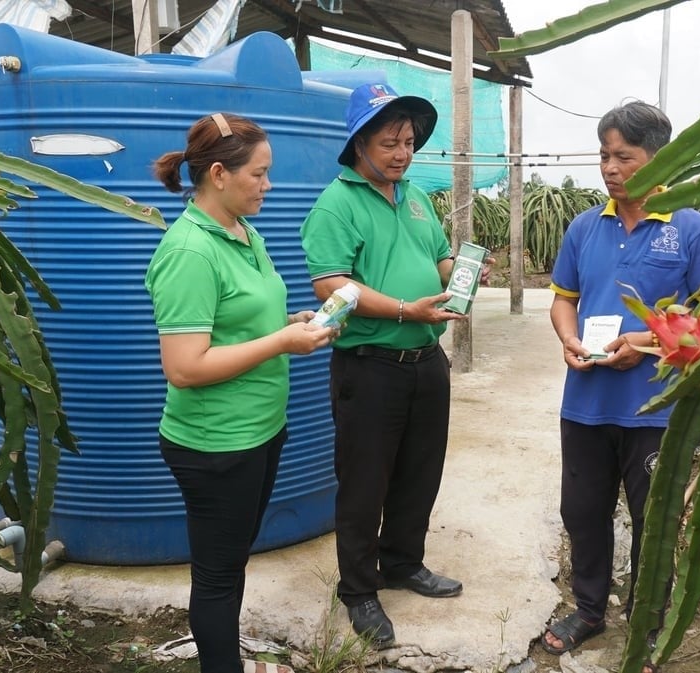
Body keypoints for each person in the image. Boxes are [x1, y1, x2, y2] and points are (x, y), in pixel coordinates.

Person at [146, 112, 335, 673]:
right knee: (217, 576)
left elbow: (242, 319)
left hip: (258, 432)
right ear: (220, 174)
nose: (268, 184)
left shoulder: (242, 231)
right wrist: (280, 341)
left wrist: (291, 319)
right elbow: (184, 367)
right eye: (260, 173)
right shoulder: (189, 252)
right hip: (215, 445)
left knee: (230, 564)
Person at [541, 101, 700, 665]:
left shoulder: (692, 230)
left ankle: (649, 622)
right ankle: (589, 610)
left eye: (624, 156)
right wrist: (569, 341)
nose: (610, 168)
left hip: (655, 409)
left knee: (655, 519)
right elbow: (563, 300)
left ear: (658, 159)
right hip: (586, 402)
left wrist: (641, 346)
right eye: (604, 156)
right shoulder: (583, 227)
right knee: (583, 510)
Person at [299, 83, 470, 648]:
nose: (403, 152)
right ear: (359, 143)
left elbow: (438, 256)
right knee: (364, 481)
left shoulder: (416, 196)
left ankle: (402, 563)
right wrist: (402, 307)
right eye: (391, 142)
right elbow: (332, 284)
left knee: (421, 471)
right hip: (369, 366)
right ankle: (358, 590)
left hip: (426, 358)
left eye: (410, 142)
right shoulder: (336, 204)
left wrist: (460, 277)